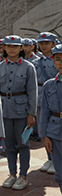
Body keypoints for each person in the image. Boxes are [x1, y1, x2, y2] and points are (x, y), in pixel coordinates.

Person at [0, 36, 37, 191]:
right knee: (9, 145)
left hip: (21, 110)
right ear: (4, 48)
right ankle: (12, 174)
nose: (11, 49)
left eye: (15, 46)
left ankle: (23, 175)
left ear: (21, 48)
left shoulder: (28, 67)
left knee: (23, 144)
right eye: (8, 46)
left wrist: (31, 114)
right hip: (4, 110)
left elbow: (32, 92)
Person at [35, 32, 59, 173]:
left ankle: (56, 159)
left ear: (54, 44)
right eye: (41, 43)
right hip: (40, 97)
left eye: (47, 43)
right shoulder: (36, 61)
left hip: (56, 97)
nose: (44, 46)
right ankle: (50, 158)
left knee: (56, 130)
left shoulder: (57, 60)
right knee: (44, 128)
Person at [39, 44, 62, 194]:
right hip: (55, 132)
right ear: (53, 62)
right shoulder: (49, 85)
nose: (61, 63)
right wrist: (45, 135)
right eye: (58, 59)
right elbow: (45, 112)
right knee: (60, 172)